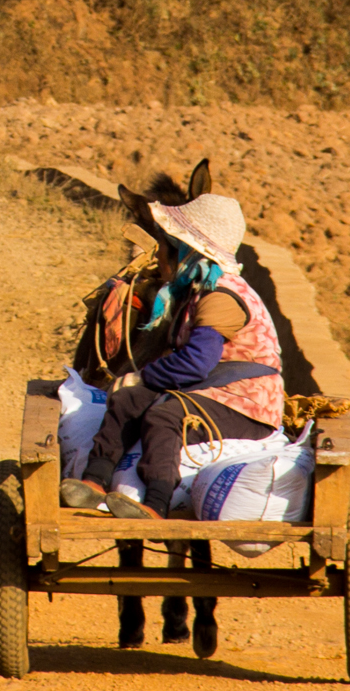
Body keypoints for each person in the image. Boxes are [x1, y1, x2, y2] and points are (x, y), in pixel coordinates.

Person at [64, 185, 288, 658]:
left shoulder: (222, 296)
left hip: (245, 402)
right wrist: (132, 387)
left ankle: (158, 508)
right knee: (124, 405)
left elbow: (192, 366)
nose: (161, 257)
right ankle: (93, 483)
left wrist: (142, 376)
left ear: (191, 251)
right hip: (210, 391)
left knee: (165, 414)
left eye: (168, 248)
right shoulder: (191, 294)